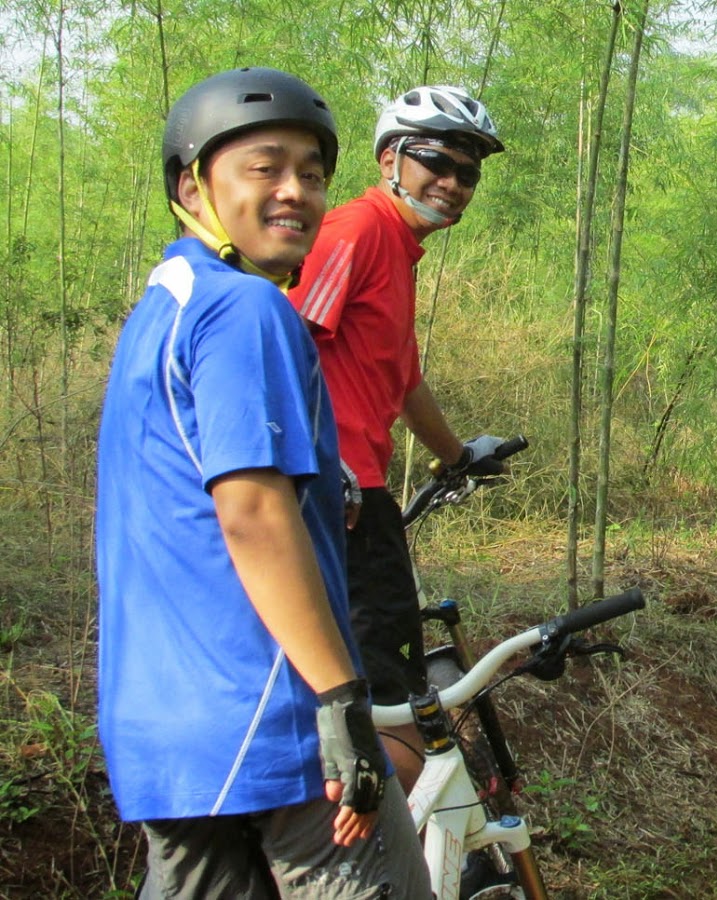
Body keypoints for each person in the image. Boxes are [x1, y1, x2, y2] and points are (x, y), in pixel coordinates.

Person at [96, 67, 429, 896]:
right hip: (275, 719)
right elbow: (250, 512)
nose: (295, 192)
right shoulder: (245, 308)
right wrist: (340, 701)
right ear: (192, 185)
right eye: (265, 168)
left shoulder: (159, 311)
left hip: (168, 740)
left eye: (312, 175)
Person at [289, 85, 511, 790]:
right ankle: (385, 840)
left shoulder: (397, 249)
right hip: (342, 497)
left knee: (385, 678)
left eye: (467, 173)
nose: (452, 183)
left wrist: (459, 456)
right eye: (436, 162)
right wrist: (316, 469)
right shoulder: (355, 230)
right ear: (390, 159)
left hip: (363, 494)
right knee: (392, 699)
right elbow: (284, 341)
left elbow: (404, 382)